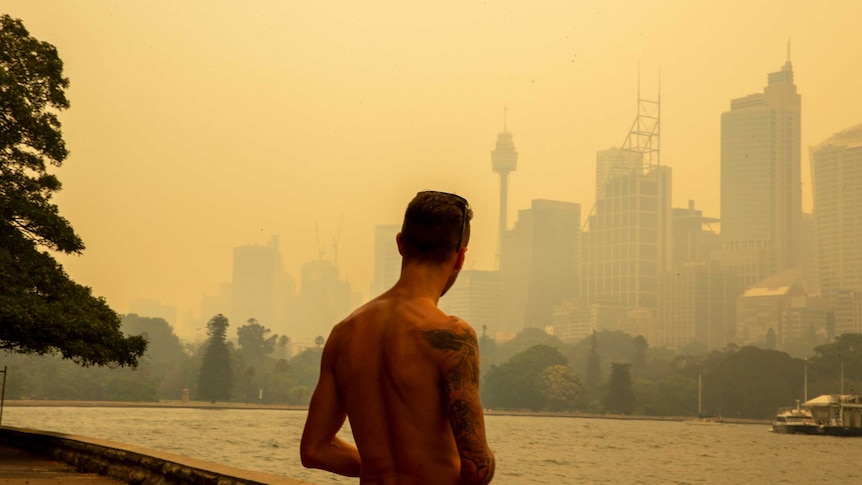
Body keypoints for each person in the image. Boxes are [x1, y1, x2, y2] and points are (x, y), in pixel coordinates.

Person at [300, 190, 495, 485]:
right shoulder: (454, 336)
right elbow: (475, 466)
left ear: (401, 244)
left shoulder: (345, 333)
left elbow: (315, 450)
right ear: (460, 258)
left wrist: (381, 467)